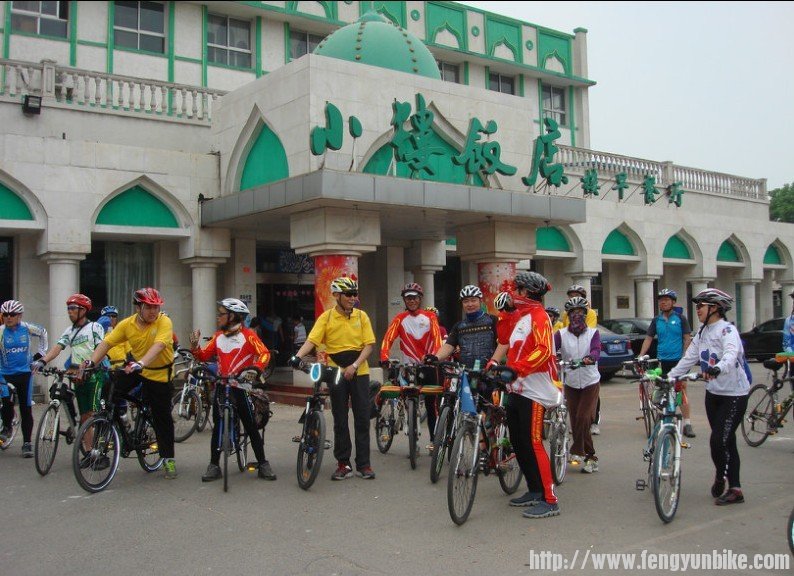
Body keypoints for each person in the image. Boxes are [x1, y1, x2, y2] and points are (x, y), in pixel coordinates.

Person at [289, 277, 377, 480]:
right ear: (337, 295)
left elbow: (369, 345)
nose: (352, 298)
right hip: (336, 371)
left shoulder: (361, 316)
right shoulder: (326, 318)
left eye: (355, 294)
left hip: (359, 370)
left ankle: (364, 465)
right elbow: (312, 340)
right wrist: (297, 357)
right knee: (340, 418)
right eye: (348, 294)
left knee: (362, 419)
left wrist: (354, 366)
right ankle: (343, 463)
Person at [667, 288, 750, 505]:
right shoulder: (703, 332)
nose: (698, 310)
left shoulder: (727, 331)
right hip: (713, 393)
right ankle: (734, 486)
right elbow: (689, 358)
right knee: (726, 441)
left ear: (715, 308)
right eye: (697, 306)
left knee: (718, 440)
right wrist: (670, 376)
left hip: (734, 394)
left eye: (701, 306)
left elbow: (731, 354)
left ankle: (725, 478)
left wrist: (717, 369)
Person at [86, 288, 178, 479]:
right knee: (110, 389)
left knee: (162, 418)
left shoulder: (164, 321)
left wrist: (141, 363)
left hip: (159, 374)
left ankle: (168, 458)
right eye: (149, 307)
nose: (153, 311)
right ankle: (112, 422)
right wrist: (91, 362)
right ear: (138, 307)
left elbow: (159, 345)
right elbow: (107, 343)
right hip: (137, 368)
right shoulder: (127, 324)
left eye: (156, 307)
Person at [496, 271, 561, 519]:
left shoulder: (539, 317)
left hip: (534, 391)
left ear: (527, 293)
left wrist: (517, 369)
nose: (513, 293)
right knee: (519, 441)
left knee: (534, 443)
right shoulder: (522, 317)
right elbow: (503, 339)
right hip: (517, 389)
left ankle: (550, 499)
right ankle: (534, 490)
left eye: (517, 290)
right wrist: (506, 312)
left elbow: (544, 351)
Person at [190, 298, 276, 481]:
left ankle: (262, 463)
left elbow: (265, 353)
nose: (218, 317)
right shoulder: (217, 336)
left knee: (251, 426)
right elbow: (203, 356)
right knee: (217, 427)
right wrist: (195, 346)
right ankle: (214, 465)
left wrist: (256, 369)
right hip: (222, 386)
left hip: (241, 386)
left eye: (221, 314)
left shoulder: (248, 335)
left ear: (233, 316)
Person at [32, 294, 106, 461]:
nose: (70, 312)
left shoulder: (95, 327)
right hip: (78, 376)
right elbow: (58, 347)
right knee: (84, 414)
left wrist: (90, 363)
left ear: (83, 310)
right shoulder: (70, 331)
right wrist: (43, 360)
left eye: (73, 308)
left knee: (91, 415)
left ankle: (98, 451)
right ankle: (89, 452)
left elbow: (102, 348)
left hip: (94, 375)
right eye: (68, 309)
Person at [379, 283, 442, 443]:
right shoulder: (399, 319)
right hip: (409, 367)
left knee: (431, 405)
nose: (411, 300)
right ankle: (410, 429)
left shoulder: (430, 317)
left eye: (414, 297)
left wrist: (435, 357)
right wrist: (384, 356)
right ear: (404, 300)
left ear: (420, 299)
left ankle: (434, 441)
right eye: (408, 298)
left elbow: (437, 340)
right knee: (408, 399)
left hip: (428, 366)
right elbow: (388, 338)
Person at [639, 288, 695, 437]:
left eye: (667, 300)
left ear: (673, 302)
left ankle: (687, 423)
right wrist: (641, 355)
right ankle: (663, 417)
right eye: (661, 300)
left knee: (680, 390)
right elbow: (648, 338)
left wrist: (685, 356)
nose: (663, 302)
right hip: (662, 361)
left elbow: (687, 338)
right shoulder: (656, 320)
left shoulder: (681, 318)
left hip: (678, 361)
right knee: (660, 391)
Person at [555, 296, 601, 473]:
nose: (577, 316)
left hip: (590, 381)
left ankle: (576, 450)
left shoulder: (593, 333)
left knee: (584, 417)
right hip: (571, 381)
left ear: (585, 314)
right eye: (573, 313)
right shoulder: (561, 334)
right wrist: (555, 359)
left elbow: (596, 350)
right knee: (575, 421)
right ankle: (591, 457)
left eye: (581, 312)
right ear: (568, 315)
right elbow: (552, 349)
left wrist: (590, 358)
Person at [0, 300, 48, 456]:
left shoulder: (27, 328)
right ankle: (7, 426)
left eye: (12, 314)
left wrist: (40, 356)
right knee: (6, 402)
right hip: (5, 373)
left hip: (25, 374)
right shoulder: (1, 331)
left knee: (26, 408)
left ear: (19, 315)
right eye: (5, 314)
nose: (8, 317)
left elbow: (43, 333)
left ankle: (27, 443)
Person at [560, 284, 601, 435]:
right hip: (570, 359)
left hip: (586, 356)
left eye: (576, 294)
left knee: (592, 393)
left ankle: (594, 421)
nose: (573, 297)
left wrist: (589, 357)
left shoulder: (589, 313)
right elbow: (563, 332)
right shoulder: (565, 314)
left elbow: (589, 332)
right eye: (571, 295)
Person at [432, 285, 497, 370]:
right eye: (466, 301)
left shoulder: (493, 320)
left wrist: (495, 361)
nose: (470, 304)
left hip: (489, 373)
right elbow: (448, 346)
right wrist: (436, 358)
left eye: (473, 300)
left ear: (481, 301)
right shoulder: (459, 326)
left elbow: (503, 344)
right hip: (465, 374)